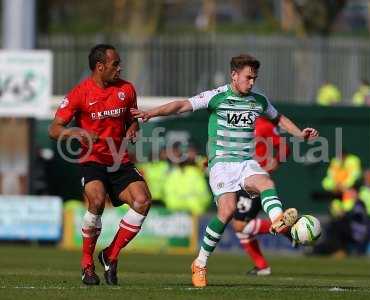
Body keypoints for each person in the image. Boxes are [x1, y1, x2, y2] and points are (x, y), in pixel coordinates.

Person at [131, 54, 319, 287]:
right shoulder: (216, 97)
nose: (251, 82)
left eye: (254, 78)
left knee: (266, 183)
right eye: (248, 77)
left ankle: (277, 220)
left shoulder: (258, 100)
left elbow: (278, 118)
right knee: (227, 211)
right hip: (221, 164)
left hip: (245, 162)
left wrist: (300, 134)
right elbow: (182, 105)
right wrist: (152, 113)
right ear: (234, 75)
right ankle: (199, 263)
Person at [48, 44, 152, 286]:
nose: (120, 67)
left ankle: (110, 254)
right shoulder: (80, 93)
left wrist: (134, 126)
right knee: (96, 201)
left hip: (119, 160)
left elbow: (131, 120)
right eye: (115, 64)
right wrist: (78, 134)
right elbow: (54, 130)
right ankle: (87, 265)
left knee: (143, 201)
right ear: (100, 67)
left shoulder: (127, 89)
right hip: (91, 160)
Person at [232, 116, 291, 276]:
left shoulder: (263, 125)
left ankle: (286, 228)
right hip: (240, 179)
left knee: (239, 226)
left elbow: (285, 146)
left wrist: (276, 162)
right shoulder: (236, 124)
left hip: (256, 180)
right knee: (241, 229)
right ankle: (262, 266)